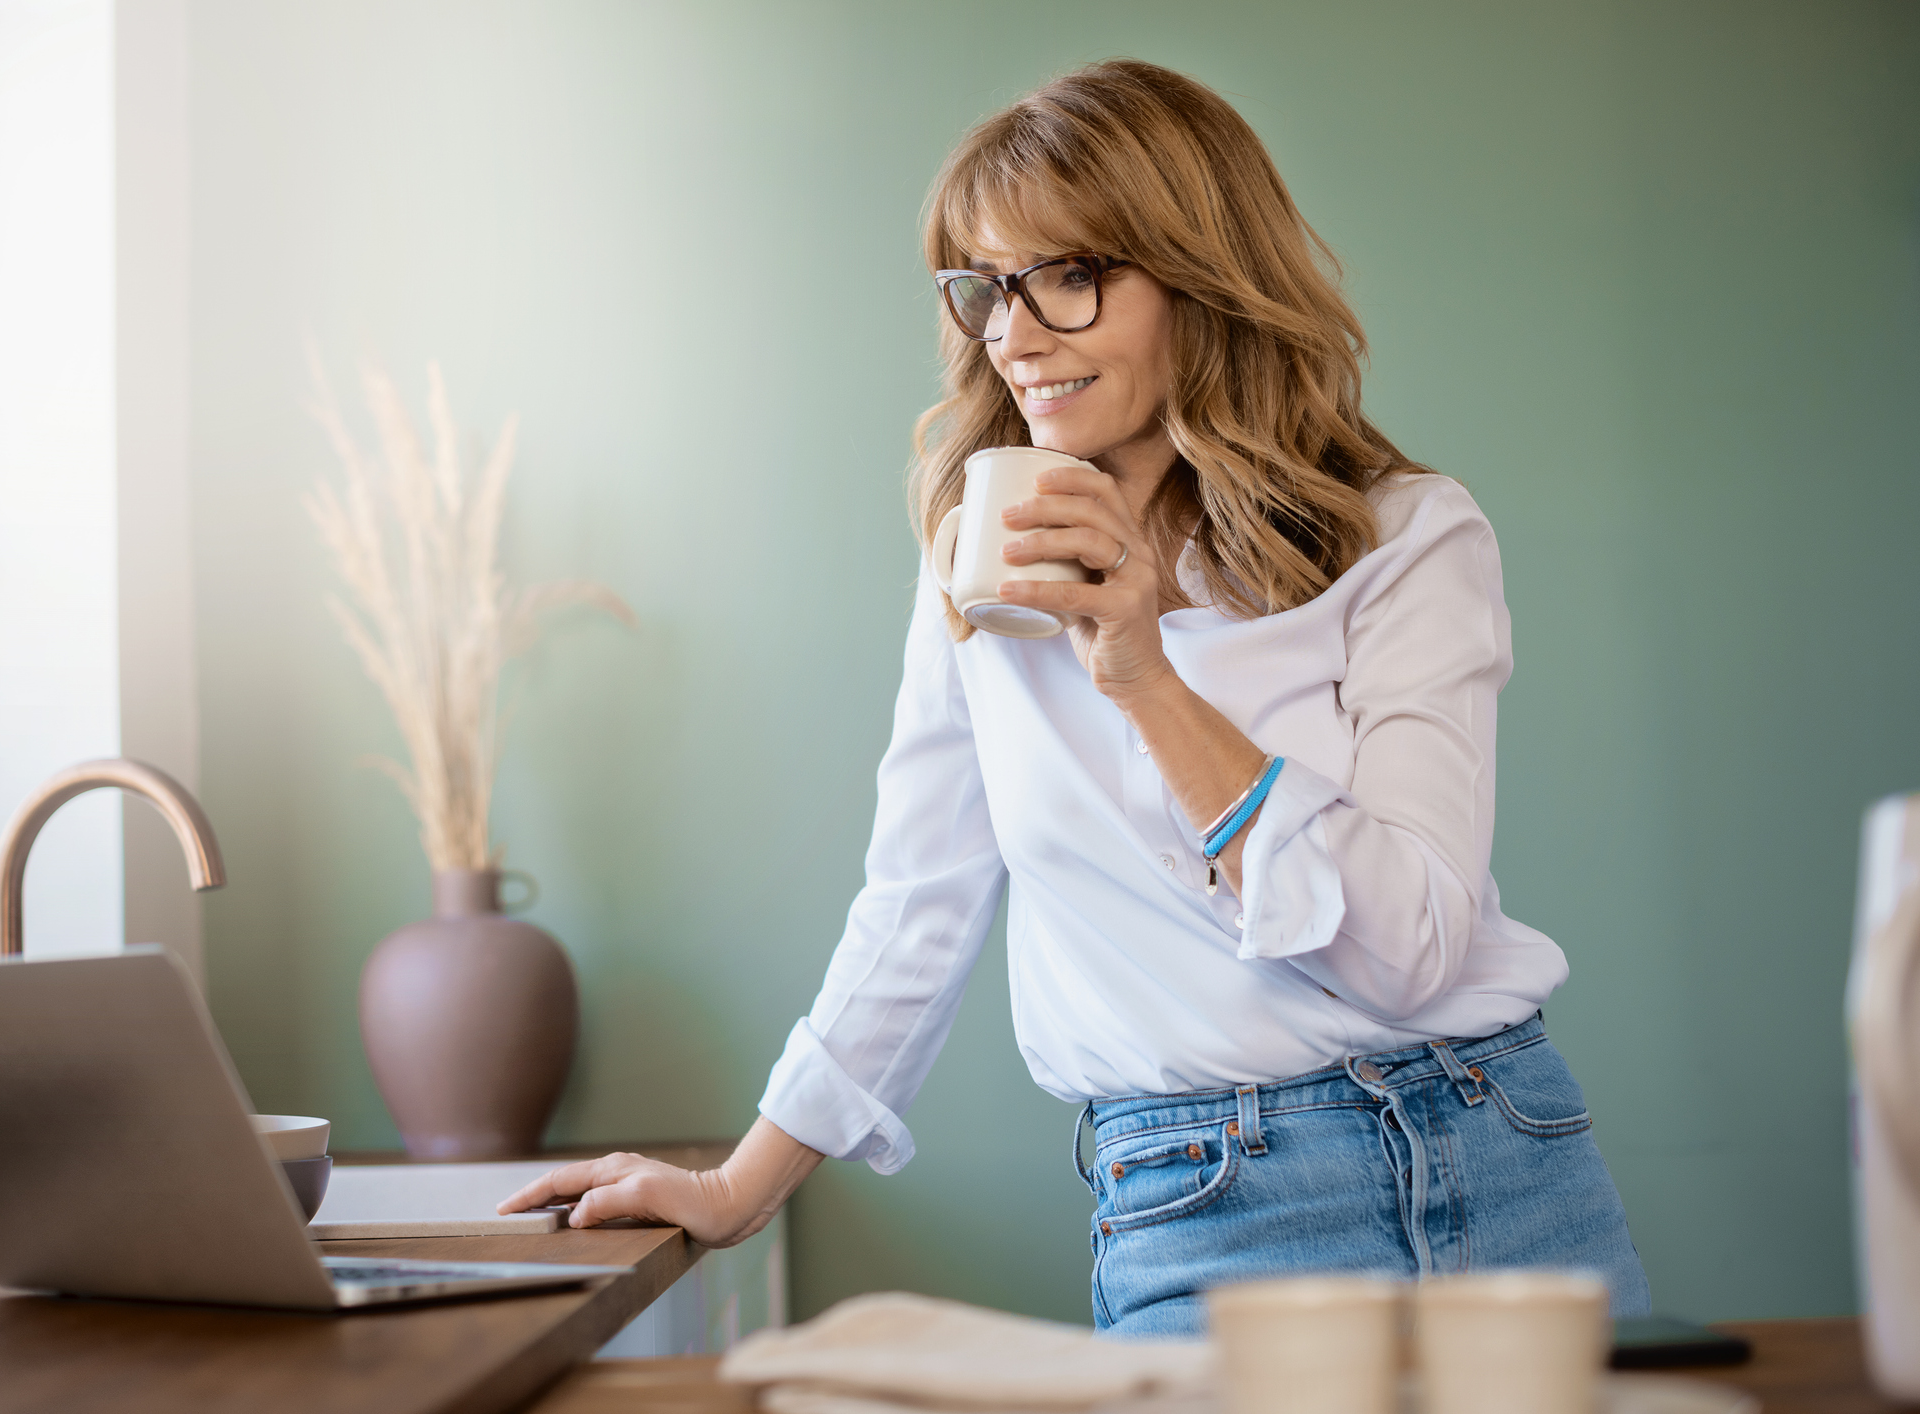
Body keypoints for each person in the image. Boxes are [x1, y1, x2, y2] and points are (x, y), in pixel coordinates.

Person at [501, 57, 1650, 1337]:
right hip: (1207, 1198)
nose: (1012, 334)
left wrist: (1143, 671)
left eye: (1066, 276)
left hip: (1500, 1151)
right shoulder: (980, 571)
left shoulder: (1407, 537)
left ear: (1201, 276)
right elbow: (918, 904)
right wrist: (736, 1186)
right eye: (987, 288)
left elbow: (1413, 945)